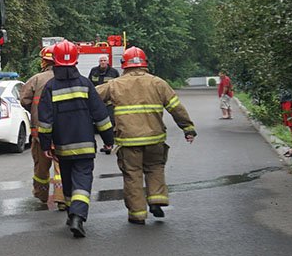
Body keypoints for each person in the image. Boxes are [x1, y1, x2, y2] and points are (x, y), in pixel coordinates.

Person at [96, 47, 196, 225]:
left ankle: (138, 214)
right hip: (155, 139)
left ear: (124, 65)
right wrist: (187, 128)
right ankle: (157, 201)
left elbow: (92, 97)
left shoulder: (115, 85)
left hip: (129, 141)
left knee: (133, 175)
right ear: (144, 63)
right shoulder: (158, 83)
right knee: (155, 168)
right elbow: (176, 107)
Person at [37, 40, 114, 237]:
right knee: (82, 180)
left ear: (54, 61)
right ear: (76, 61)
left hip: (62, 147)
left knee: (69, 182)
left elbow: (45, 121)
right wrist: (108, 138)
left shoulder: (50, 87)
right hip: (85, 145)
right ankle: (78, 216)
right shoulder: (85, 84)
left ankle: (72, 214)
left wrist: (46, 145)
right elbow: (100, 114)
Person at [19, 46, 62, 207]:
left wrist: (35, 111)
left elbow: (24, 100)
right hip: (63, 132)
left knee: (41, 166)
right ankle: (61, 198)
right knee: (61, 166)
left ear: (44, 61)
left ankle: (42, 194)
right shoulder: (68, 78)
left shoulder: (37, 79)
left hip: (39, 132)